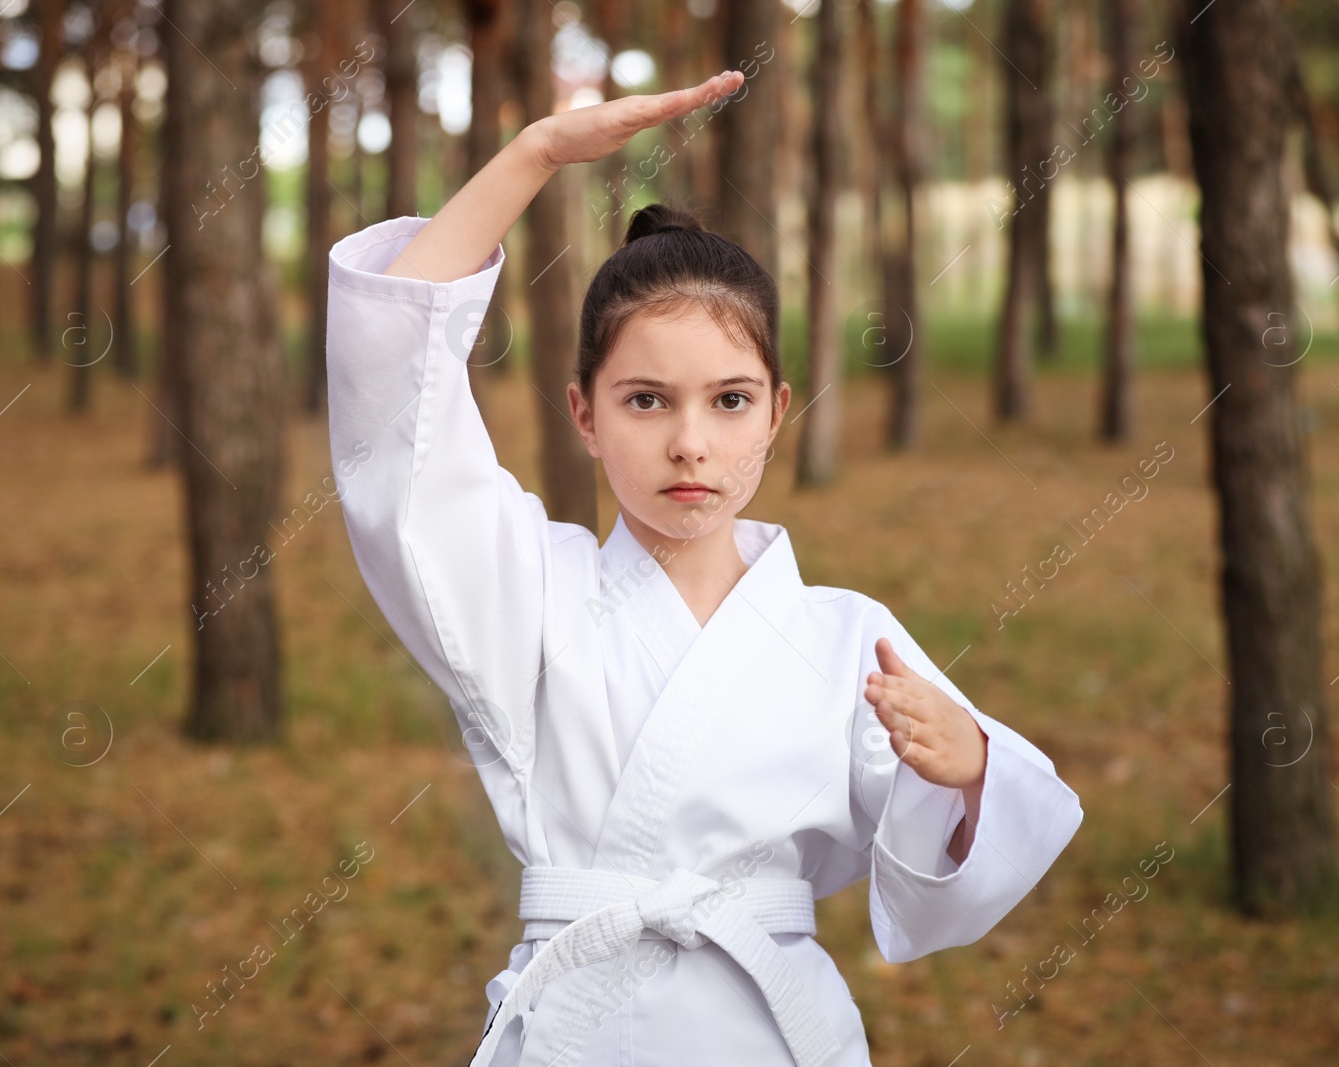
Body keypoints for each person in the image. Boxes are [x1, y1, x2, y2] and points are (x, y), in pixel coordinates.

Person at [324, 69, 1082, 1067]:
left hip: (770, 1030)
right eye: (646, 400)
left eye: (728, 401)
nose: (691, 442)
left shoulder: (848, 636)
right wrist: (535, 155)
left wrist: (974, 767)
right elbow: (394, 401)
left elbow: (952, 871)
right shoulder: (533, 594)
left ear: (777, 407)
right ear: (583, 412)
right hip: (581, 1027)